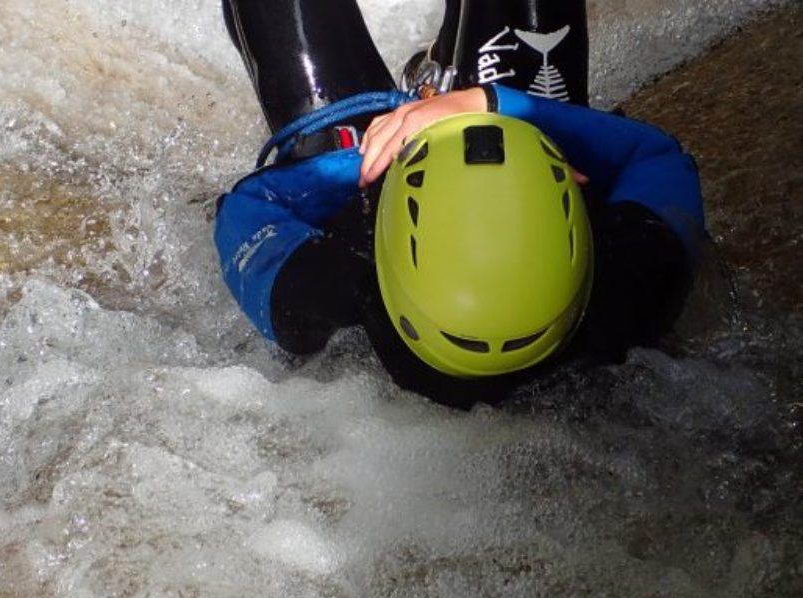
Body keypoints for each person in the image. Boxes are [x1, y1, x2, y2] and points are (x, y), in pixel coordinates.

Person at [215, 0, 706, 409]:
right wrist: (488, 105)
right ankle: (460, 83)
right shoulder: (640, 274)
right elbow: (656, 153)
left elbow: (247, 205)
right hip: (504, 142)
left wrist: (371, 157)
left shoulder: (329, 299)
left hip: (354, 185)